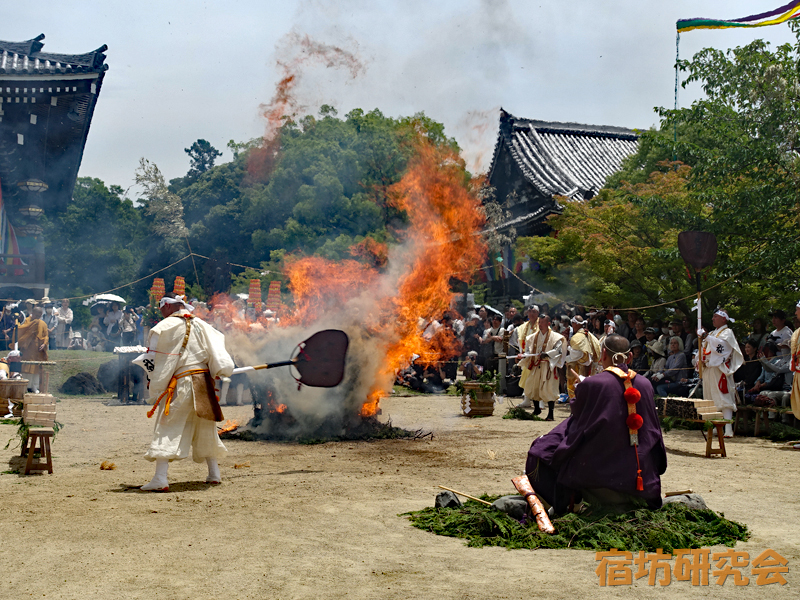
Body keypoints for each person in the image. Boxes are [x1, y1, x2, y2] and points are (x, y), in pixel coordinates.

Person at [524, 334, 667, 516]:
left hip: (601, 469)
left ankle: (571, 502)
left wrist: (579, 391)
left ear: (603, 354)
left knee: (544, 448)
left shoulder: (593, 384)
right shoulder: (646, 384)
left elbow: (579, 422)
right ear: (630, 357)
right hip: (642, 472)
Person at [133, 292, 235, 492]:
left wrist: (153, 381)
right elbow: (218, 353)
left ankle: (160, 478)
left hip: (182, 383)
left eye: (161, 308)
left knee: (168, 425)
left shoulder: (162, 328)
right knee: (206, 427)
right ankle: (214, 473)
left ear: (168, 306)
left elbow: (152, 360)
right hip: (203, 383)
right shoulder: (204, 326)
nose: (161, 312)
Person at [700, 309, 744, 438]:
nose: (713, 319)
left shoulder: (727, 332)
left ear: (723, 319)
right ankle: (714, 425)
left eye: (715, 317)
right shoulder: (713, 333)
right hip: (709, 368)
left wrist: (706, 337)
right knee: (710, 397)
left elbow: (722, 347)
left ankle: (728, 428)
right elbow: (705, 348)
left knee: (723, 397)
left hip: (721, 368)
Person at [517, 314, 566, 420]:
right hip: (536, 365)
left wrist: (547, 354)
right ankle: (536, 409)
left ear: (548, 323)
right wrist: (523, 356)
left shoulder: (556, 337)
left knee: (549, 389)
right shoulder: (532, 337)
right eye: (539, 322)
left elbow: (558, 350)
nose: (540, 325)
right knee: (533, 387)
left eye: (542, 322)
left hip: (548, 366)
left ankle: (550, 413)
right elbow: (528, 351)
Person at [565, 315, 601, 400]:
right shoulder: (590, 335)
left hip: (578, 368)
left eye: (573, 323)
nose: (572, 325)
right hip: (589, 367)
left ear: (576, 324)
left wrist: (568, 348)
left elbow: (578, 354)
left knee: (577, 390)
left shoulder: (577, 337)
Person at [16, 306, 48, 392]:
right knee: (26, 367)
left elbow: (46, 335)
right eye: (36, 316)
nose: (38, 318)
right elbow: (21, 330)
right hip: (27, 348)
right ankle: (25, 386)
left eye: (39, 316)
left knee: (36, 368)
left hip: (37, 350)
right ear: (32, 313)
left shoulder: (43, 324)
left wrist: (44, 344)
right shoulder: (26, 321)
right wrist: (30, 331)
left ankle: (35, 386)